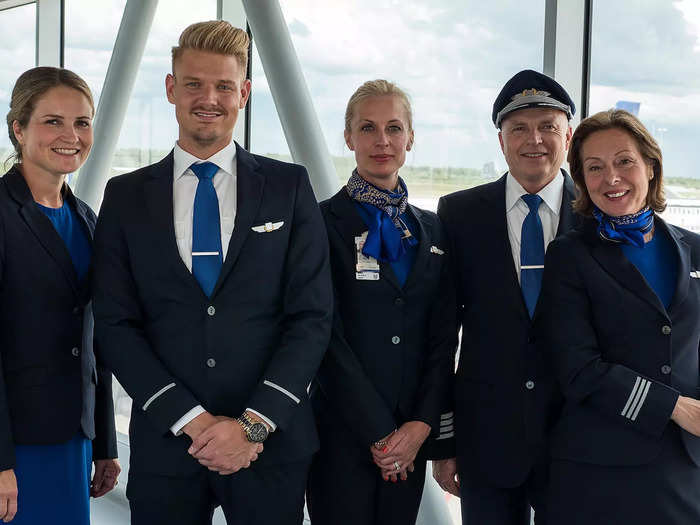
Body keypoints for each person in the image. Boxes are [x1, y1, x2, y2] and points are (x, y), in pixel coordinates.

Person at [92, 20, 332, 525]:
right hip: (165, 445)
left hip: (269, 446)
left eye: (224, 86)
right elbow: (116, 324)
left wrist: (252, 426)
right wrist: (193, 421)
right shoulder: (126, 196)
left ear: (243, 93)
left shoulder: (289, 187)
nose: (210, 98)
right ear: (171, 88)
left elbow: (311, 317)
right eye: (195, 83)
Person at [536, 108, 700, 524]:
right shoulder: (569, 256)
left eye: (624, 161)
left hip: (687, 467)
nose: (611, 178)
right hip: (601, 471)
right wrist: (675, 406)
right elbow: (577, 369)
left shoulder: (695, 249)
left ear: (650, 164)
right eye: (595, 167)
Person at [306, 79, 456, 525]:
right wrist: (381, 433)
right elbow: (323, 336)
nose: (382, 141)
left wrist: (420, 427)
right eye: (368, 128)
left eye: (394, 128)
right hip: (341, 434)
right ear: (349, 137)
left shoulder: (433, 231)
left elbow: (443, 336)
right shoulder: (318, 223)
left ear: (411, 137)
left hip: (410, 438)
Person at [431, 70, 579, 524]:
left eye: (548, 127)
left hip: (580, 441)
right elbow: (440, 337)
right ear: (501, 140)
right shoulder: (459, 214)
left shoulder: (594, 214)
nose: (534, 139)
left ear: (568, 136)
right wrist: (445, 440)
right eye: (519, 128)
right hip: (487, 440)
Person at [0, 66, 119, 525]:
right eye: (53, 121)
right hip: (16, 446)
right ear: (18, 128)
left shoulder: (87, 219)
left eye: (82, 122)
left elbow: (96, 340)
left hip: (74, 439)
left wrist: (106, 442)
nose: (71, 135)